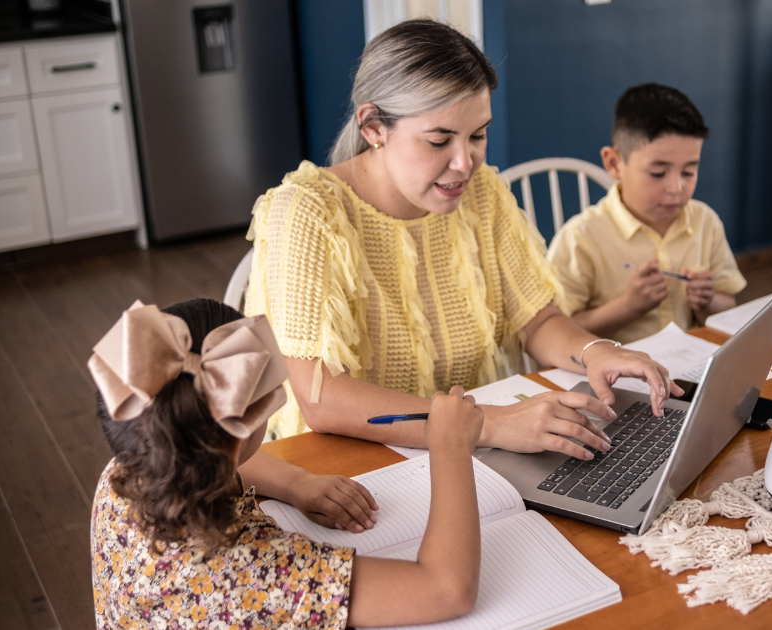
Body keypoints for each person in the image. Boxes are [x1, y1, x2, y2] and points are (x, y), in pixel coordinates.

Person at [244, 19, 682, 456]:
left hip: (469, 452)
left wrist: (594, 351)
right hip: (348, 464)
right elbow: (321, 400)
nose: (464, 163)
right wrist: (488, 424)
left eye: (478, 135)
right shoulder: (306, 210)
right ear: (374, 127)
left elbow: (537, 320)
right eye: (439, 141)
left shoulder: (483, 193)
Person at [90, 298, 485, 628]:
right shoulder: (256, 574)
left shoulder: (129, 471)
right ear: (241, 431)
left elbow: (210, 458)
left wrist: (297, 483)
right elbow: (447, 589)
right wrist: (450, 450)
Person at [547, 83, 746, 345]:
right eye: (658, 173)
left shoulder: (704, 221)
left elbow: (729, 307)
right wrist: (628, 307)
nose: (676, 188)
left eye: (688, 172)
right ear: (614, 163)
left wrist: (708, 303)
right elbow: (556, 333)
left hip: (691, 368)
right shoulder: (580, 239)